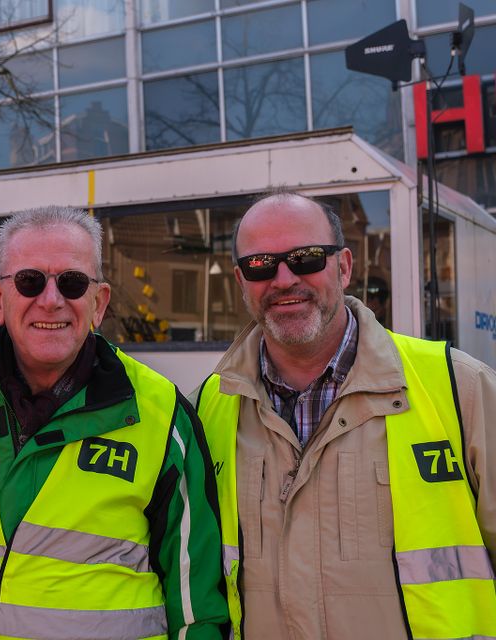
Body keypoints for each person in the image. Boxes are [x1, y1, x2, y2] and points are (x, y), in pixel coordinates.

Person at [0, 206, 228, 639]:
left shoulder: (162, 416)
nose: (51, 299)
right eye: (30, 281)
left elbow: (197, 607)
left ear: (98, 303)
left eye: (72, 282)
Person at [194, 191, 496, 639]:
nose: (283, 279)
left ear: (344, 266)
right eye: (260, 264)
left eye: (306, 258)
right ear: (241, 280)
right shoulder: (207, 408)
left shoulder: (460, 388)